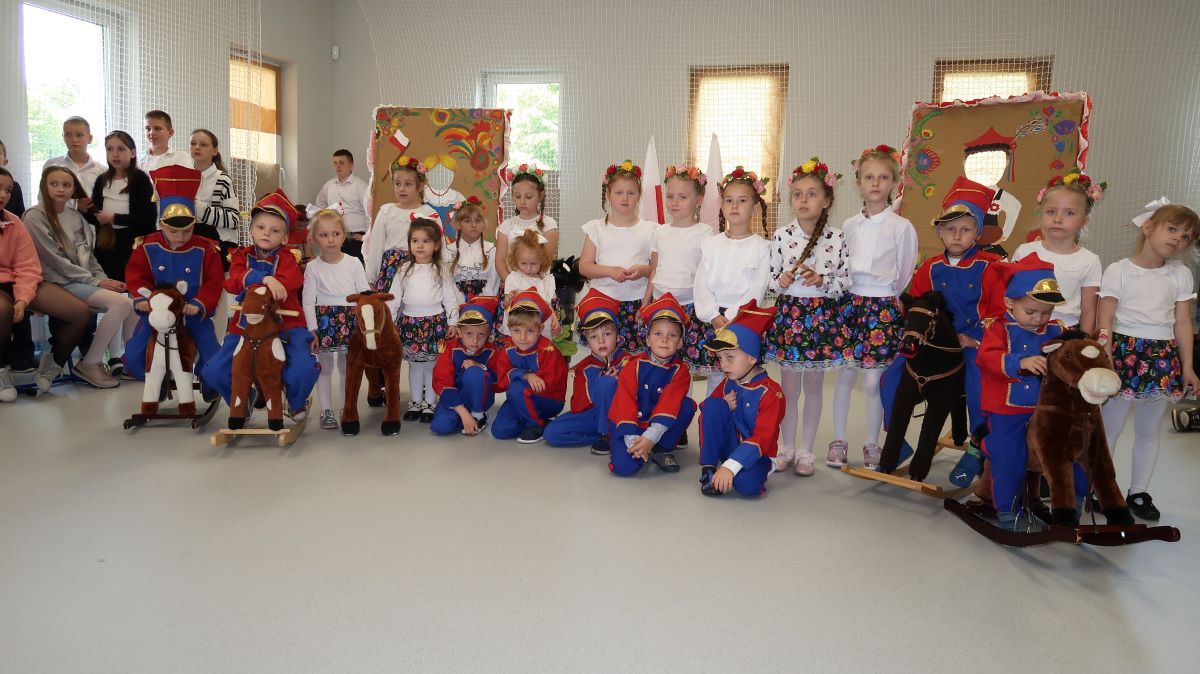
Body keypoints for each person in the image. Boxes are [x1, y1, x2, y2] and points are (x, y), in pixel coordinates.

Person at [1097, 200, 1199, 521]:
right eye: (1173, 229)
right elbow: (1105, 319)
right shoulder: (1119, 270)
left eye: (1186, 236)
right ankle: (1101, 490)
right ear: (1148, 227)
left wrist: (1188, 366)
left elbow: (1182, 322)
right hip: (1124, 353)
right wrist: (1105, 356)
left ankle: (1138, 492)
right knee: (1110, 427)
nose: (1178, 238)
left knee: (1148, 429)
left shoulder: (1180, 275)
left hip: (1162, 357)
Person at [829, 145, 917, 469]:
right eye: (869, 177)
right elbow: (841, 265)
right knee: (844, 375)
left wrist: (886, 296)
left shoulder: (901, 227)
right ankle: (838, 440)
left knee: (872, 381)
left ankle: (871, 443)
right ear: (859, 183)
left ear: (894, 182)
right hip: (850, 304)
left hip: (882, 308)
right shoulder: (849, 225)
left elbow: (905, 270)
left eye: (883, 177)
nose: (876, 183)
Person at [201, 190, 319, 420]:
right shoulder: (239, 256)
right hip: (246, 325)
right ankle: (243, 399)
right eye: (261, 227)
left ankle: (295, 401)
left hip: (286, 324)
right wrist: (265, 278)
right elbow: (232, 283)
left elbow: (290, 282)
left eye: (275, 230)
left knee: (303, 367)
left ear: (285, 238)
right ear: (251, 231)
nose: (267, 233)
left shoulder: (288, 258)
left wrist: (267, 281)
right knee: (214, 371)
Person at [766, 158, 849, 475]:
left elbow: (846, 280)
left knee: (814, 388)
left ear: (826, 200)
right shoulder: (780, 236)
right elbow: (769, 279)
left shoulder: (837, 237)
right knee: (789, 388)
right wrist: (782, 281)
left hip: (820, 319)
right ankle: (786, 448)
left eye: (812, 194)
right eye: (798, 194)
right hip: (790, 316)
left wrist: (823, 281)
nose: (803, 200)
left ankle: (806, 452)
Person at [24, 165, 136, 388]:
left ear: (74, 188)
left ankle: (130, 362)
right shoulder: (34, 216)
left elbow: (89, 257)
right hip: (56, 282)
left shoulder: (76, 216)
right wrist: (96, 281)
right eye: (54, 184)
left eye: (66, 185)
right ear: (44, 186)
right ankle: (90, 362)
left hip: (79, 281)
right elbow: (56, 261)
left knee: (130, 302)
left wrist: (103, 279)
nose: (60, 189)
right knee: (121, 303)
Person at [123, 165, 224, 392]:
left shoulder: (206, 249)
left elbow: (214, 282)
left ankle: (210, 383)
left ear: (194, 224)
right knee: (133, 356)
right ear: (161, 224)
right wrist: (142, 299)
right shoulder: (146, 245)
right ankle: (156, 383)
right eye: (173, 231)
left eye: (187, 230)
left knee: (212, 357)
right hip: (156, 315)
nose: (180, 237)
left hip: (192, 314)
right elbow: (136, 276)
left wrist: (198, 304)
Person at [0, 167, 89, 399]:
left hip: (21, 283)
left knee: (79, 312)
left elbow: (28, 266)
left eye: (8, 190)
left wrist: (23, 299)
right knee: (2, 309)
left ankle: (52, 365)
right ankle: (0, 372)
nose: (3, 195)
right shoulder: (32, 216)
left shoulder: (14, 222)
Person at [693, 166, 772, 394]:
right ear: (722, 206)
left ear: (754, 208)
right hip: (713, 319)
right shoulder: (710, 244)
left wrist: (732, 317)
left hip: (743, 321)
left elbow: (756, 288)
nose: (734, 206)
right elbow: (701, 284)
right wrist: (713, 316)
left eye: (742, 200)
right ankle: (714, 414)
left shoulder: (762, 247)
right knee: (716, 379)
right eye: (729, 200)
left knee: (742, 378)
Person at [697, 300, 784, 498]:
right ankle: (708, 468)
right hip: (729, 444)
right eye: (720, 358)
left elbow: (763, 438)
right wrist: (723, 406)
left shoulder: (771, 392)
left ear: (752, 357)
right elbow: (708, 412)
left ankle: (733, 468)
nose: (723, 365)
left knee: (746, 486)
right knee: (714, 404)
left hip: (757, 453)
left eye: (730, 357)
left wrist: (731, 466)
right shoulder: (729, 381)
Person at [607, 293, 696, 476]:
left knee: (687, 405)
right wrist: (635, 441)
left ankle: (661, 449)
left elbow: (669, 404)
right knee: (625, 469)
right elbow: (624, 402)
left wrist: (651, 437)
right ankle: (640, 449)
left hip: (658, 428)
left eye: (672, 335)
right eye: (658, 334)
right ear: (647, 339)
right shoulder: (632, 365)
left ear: (680, 343)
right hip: (631, 425)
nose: (664, 339)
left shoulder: (681, 371)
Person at [578, 160, 656, 354]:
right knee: (605, 358)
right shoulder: (596, 228)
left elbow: (657, 269)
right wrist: (610, 271)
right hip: (602, 302)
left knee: (634, 360)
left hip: (638, 304)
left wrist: (644, 271)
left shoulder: (651, 229)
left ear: (639, 195)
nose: (625, 198)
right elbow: (584, 266)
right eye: (619, 192)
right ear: (608, 194)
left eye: (631, 193)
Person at [303, 209, 370, 429]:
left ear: (344, 235)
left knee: (346, 367)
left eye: (336, 233)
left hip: (350, 321)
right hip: (324, 322)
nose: (331, 239)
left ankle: (345, 407)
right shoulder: (312, 267)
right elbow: (308, 301)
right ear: (315, 238)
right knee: (324, 367)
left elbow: (364, 295)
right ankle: (326, 410)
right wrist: (312, 329)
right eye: (324, 235)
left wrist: (365, 325)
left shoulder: (354, 262)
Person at [544, 289, 627, 451]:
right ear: (587, 341)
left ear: (617, 336)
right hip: (594, 415)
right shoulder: (583, 368)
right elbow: (577, 406)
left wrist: (615, 382)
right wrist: (597, 381)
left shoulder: (629, 362)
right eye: (594, 336)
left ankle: (610, 434)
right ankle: (602, 436)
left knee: (607, 383)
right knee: (551, 432)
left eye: (607, 334)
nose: (601, 341)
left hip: (621, 416)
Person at [490, 288, 568, 443]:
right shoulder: (508, 348)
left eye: (530, 330)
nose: (522, 337)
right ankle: (541, 420)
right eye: (516, 330)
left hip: (548, 400)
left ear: (540, 329)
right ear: (509, 329)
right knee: (500, 430)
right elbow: (502, 379)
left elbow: (549, 384)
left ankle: (537, 425)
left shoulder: (548, 350)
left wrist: (520, 380)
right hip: (519, 397)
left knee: (515, 388)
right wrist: (525, 375)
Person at [430, 296, 502, 436]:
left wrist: (482, 368)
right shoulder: (449, 349)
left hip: (480, 398)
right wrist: (462, 412)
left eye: (481, 335)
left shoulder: (492, 351)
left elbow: (500, 382)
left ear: (488, 333)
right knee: (440, 426)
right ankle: (467, 417)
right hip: (455, 397)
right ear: (459, 332)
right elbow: (441, 381)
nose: (475, 341)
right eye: (469, 334)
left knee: (474, 371)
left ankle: (478, 415)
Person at [315, 149, 371, 260]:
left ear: (351, 165)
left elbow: (370, 213)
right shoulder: (329, 185)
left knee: (353, 268)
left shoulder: (360, 186)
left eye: (341, 163)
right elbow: (319, 205)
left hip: (354, 238)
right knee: (333, 266)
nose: (337, 166)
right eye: (335, 163)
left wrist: (367, 236)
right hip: (333, 236)